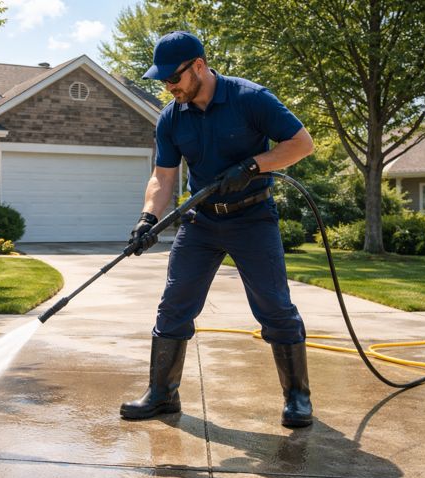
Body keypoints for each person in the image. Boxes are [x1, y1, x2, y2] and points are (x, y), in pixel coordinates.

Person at [121, 31, 315, 428]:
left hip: (252, 217)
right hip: (202, 222)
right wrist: (147, 218)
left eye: (173, 77)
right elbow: (163, 176)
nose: (168, 87)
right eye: (163, 80)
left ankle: (297, 396)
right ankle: (162, 394)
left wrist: (252, 166)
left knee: (274, 306)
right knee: (175, 303)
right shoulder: (171, 118)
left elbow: (301, 143)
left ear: (198, 66)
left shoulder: (250, 98)